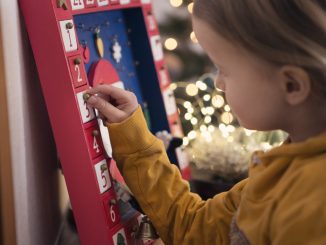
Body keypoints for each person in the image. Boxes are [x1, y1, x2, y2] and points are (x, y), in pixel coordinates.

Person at [85, 0, 326, 244]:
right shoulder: (282, 169)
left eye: (223, 69)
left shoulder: (311, 203)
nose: (219, 83)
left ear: (292, 85)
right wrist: (132, 136)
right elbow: (193, 227)